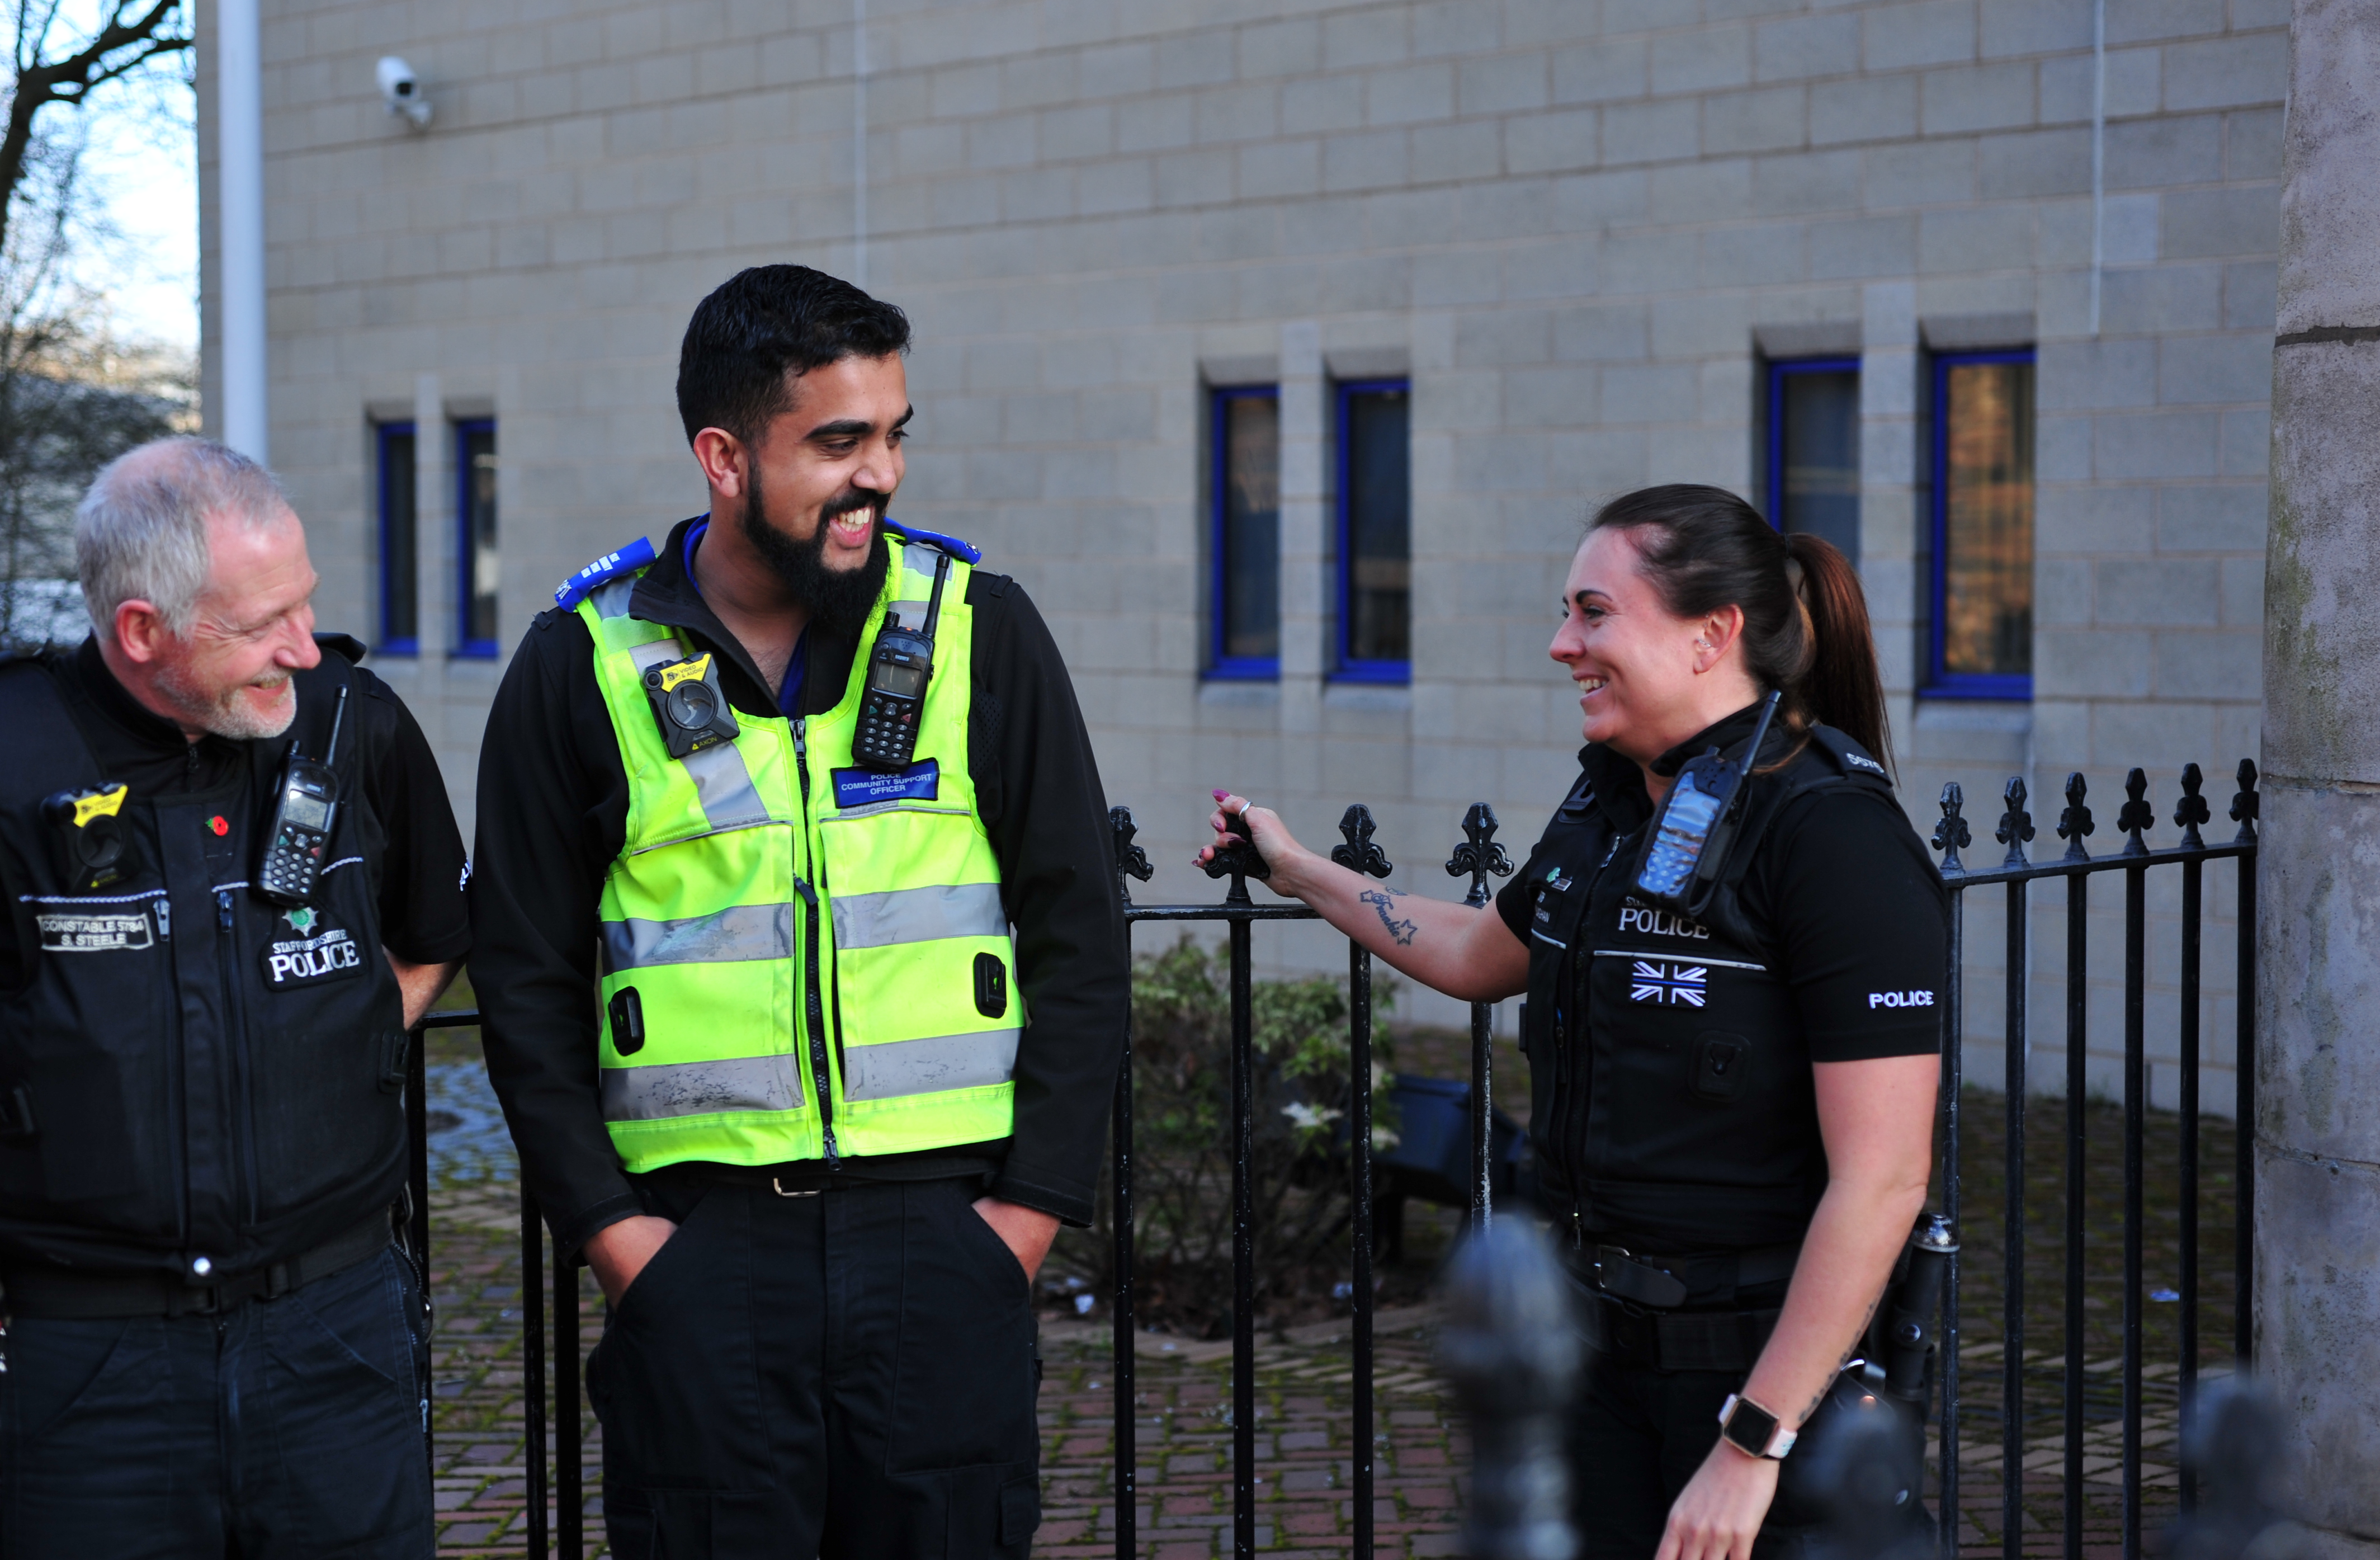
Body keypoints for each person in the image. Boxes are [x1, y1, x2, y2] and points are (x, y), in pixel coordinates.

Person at [471, 264, 1129, 1559]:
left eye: (891, 436)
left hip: (944, 1248)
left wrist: (1022, 1224)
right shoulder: (582, 663)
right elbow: (524, 978)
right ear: (724, 457)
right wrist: (621, 1243)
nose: (877, 474)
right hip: (704, 1261)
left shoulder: (977, 630)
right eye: (837, 442)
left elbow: (1078, 937)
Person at [1199, 485, 1945, 1560]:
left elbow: (1882, 1180)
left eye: (1594, 612)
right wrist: (1300, 870)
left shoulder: (1833, 834)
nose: (1562, 645)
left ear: (1711, 636)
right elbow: (1472, 954)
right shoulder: (1609, 805)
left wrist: (1752, 1442)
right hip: (1594, 1359)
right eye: (1567, 613)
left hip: (1758, 1379)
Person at [0, 437, 469, 1556]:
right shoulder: (16, 760)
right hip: (86, 1365)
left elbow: (428, 938)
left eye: (303, 607)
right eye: (260, 627)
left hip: (336, 1337)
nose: (301, 650)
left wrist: (331, 1054)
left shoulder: (353, 724)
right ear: (142, 633)